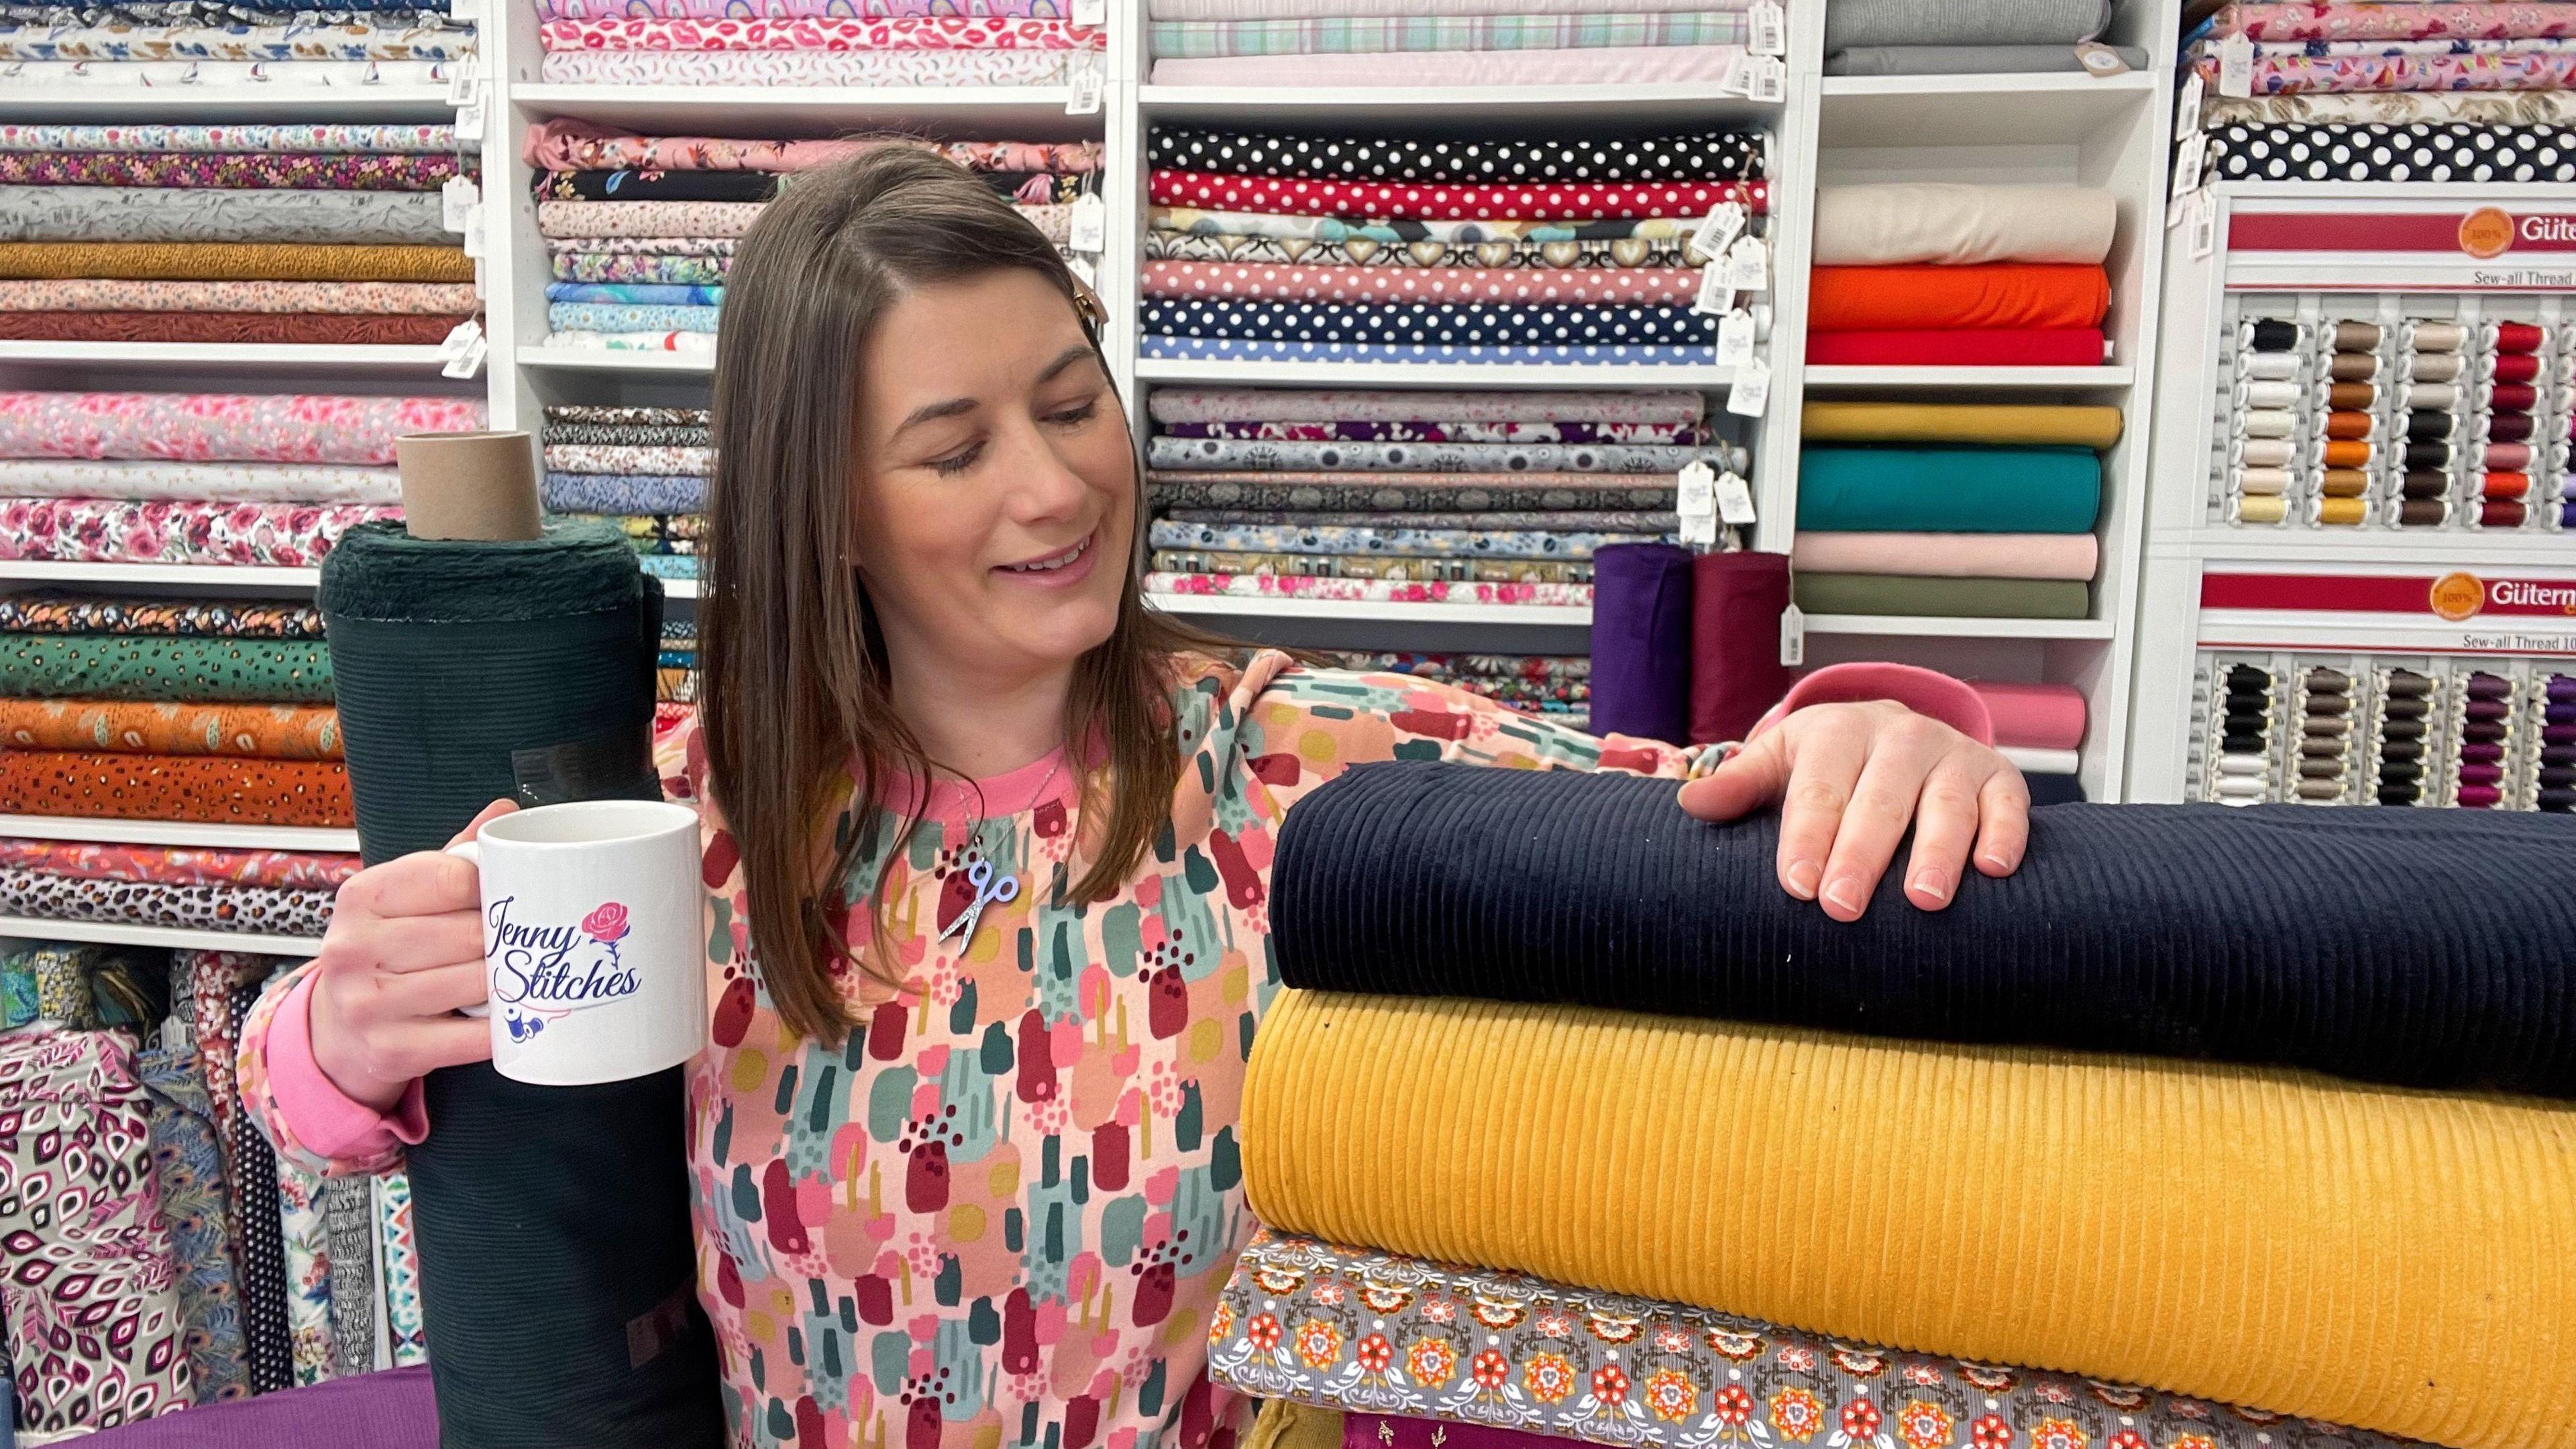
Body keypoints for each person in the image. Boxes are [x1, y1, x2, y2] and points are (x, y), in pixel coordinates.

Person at [241, 148, 2031, 1449]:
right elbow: (306, 1081)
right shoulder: (683, 828)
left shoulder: (1302, 770)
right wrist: (336, 1025)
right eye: (955, 448)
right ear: (828, 512)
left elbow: (1719, 803)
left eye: (1072, 402)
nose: (1054, 484)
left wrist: (1892, 728)